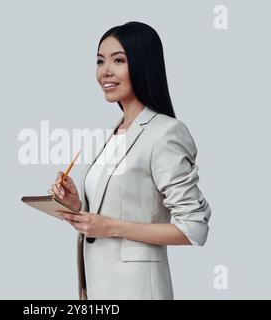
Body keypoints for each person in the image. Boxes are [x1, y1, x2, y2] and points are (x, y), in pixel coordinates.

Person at [49, 21, 211, 300]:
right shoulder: (117, 131)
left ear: (143, 64)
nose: (105, 71)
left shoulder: (166, 132)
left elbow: (193, 227)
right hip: (98, 290)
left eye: (118, 60)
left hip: (138, 291)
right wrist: (78, 205)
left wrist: (110, 226)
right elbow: (121, 205)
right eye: (100, 61)